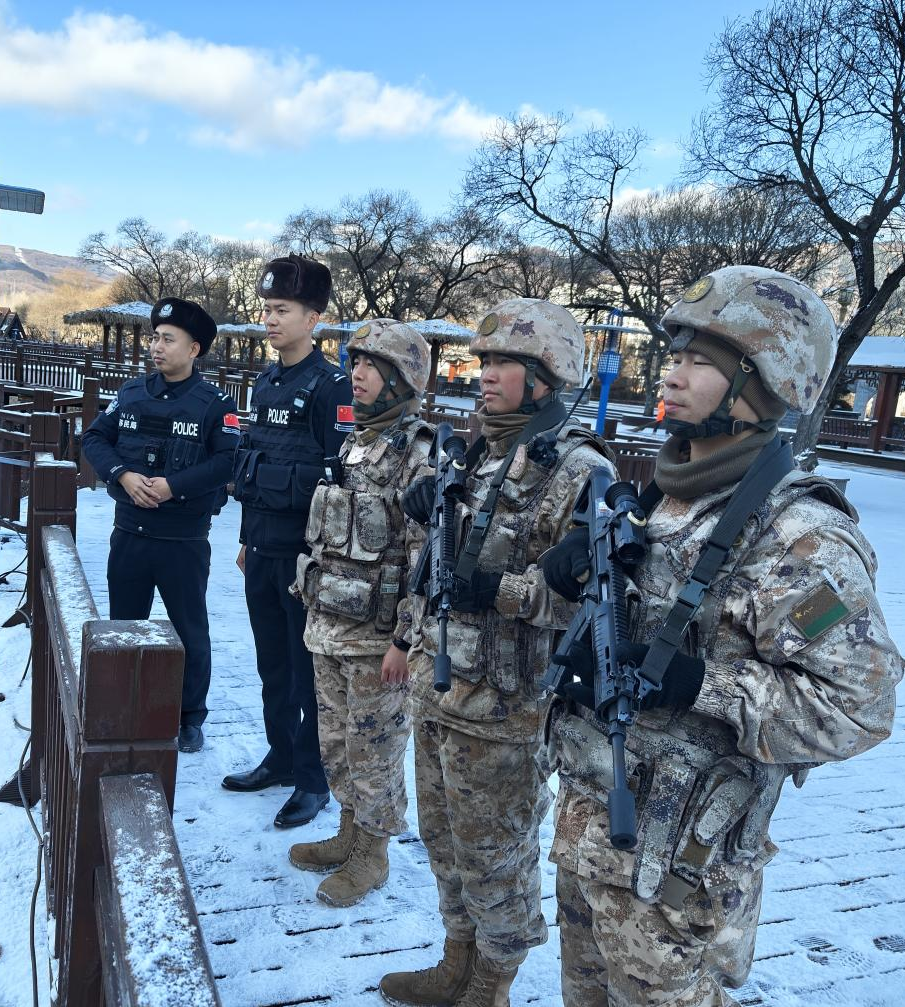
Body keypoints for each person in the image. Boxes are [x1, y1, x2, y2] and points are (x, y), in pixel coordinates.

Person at [540, 265, 905, 1006]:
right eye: (673, 355)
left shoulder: (798, 537)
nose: (671, 374)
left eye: (699, 361)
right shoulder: (661, 500)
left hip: (680, 871)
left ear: (765, 384)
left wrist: (698, 685)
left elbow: (859, 708)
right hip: (591, 832)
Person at [379, 300, 612, 1007]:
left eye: (504, 362)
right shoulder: (477, 452)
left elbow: (594, 601)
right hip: (441, 687)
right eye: (483, 361)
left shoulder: (578, 470)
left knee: (495, 858)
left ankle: (491, 984)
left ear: (546, 376)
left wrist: (500, 591)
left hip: (509, 711)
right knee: (443, 841)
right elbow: (435, 571)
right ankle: (457, 959)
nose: (484, 374)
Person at [287, 319, 435, 907]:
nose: (358, 374)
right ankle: (349, 834)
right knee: (337, 743)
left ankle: (372, 855)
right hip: (329, 628)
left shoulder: (419, 454)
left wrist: (405, 640)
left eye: (374, 366)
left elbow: (427, 560)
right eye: (356, 363)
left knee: (375, 751)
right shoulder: (357, 441)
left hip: (378, 642)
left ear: (404, 378)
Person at [224, 254, 354, 829]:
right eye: (267, 310)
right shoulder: (266, 381)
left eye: (282, 310)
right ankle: (279, 757)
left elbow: (340, 478)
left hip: (305, 557)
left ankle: (312, 777)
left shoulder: (331, 388)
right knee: (271, 666)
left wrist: (324, 558)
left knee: (307, 675)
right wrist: (246, 538)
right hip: (262, 548)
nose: (270, 320)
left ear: (313, 319)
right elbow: (253, 464)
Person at [80, 297, 239, 754]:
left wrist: (174, 487)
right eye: (155, 338)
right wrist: (122, 475)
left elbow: (228, 459)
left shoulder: (214, 404)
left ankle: (190, 716)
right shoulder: (131, 394)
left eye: (168, 339)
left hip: (182, 540)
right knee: (123, 626)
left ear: (194, 349)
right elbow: (95, 437)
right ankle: (122, 706)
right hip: (130, 534)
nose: (157, 346)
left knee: (190, 631)